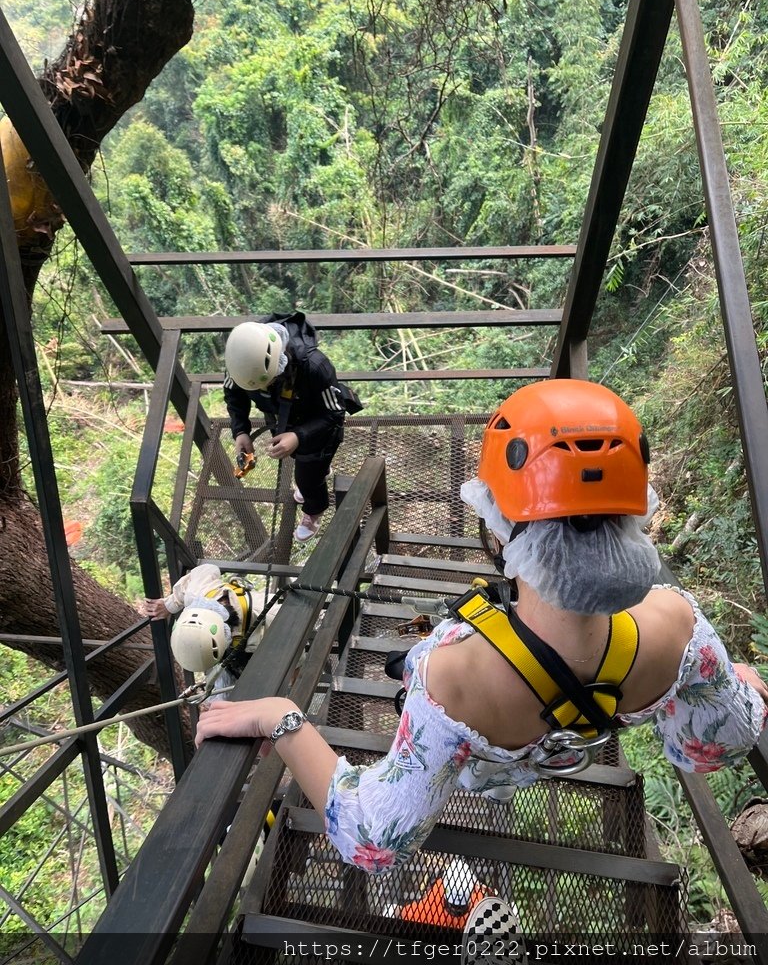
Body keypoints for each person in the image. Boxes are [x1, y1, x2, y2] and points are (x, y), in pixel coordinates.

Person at [194, 380, 768, 898]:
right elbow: (715, 744)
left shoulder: (453, 676)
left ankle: (404, 669)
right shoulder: (676, 623)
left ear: (498, 526)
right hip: (586, 719)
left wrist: (282, 718)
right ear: (631, 514)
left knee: (422, 660)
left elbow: (373, 839)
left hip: (486, 747)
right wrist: (732, 682)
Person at [223, 314, 347, 542]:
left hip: (318, 427)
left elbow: (335, 412)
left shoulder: (315, 366)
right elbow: (234, 394)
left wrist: (299, 436)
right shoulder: (242, 362)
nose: (266, 388)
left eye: (268, 383)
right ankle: (317, 473)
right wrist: (240, 431)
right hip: (282, 416)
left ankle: (314, 509)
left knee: (309, 477)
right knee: (304, 467)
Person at [142, 563, 276, 698]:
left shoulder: (269, 621)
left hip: (267, 632)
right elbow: (209, 569)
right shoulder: (198, 593)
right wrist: (170, 604)